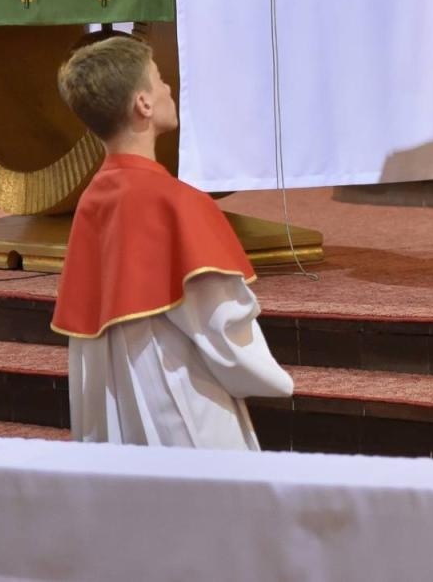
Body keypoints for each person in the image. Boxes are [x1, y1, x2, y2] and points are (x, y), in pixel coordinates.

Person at [50, 33, 293, 445]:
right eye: (159, 78)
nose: (167, 88)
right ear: (143, 103)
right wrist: (271, 375)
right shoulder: (175, 201)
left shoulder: (93, 199)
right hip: (178, 392)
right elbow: (219, 320)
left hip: (114, 395)